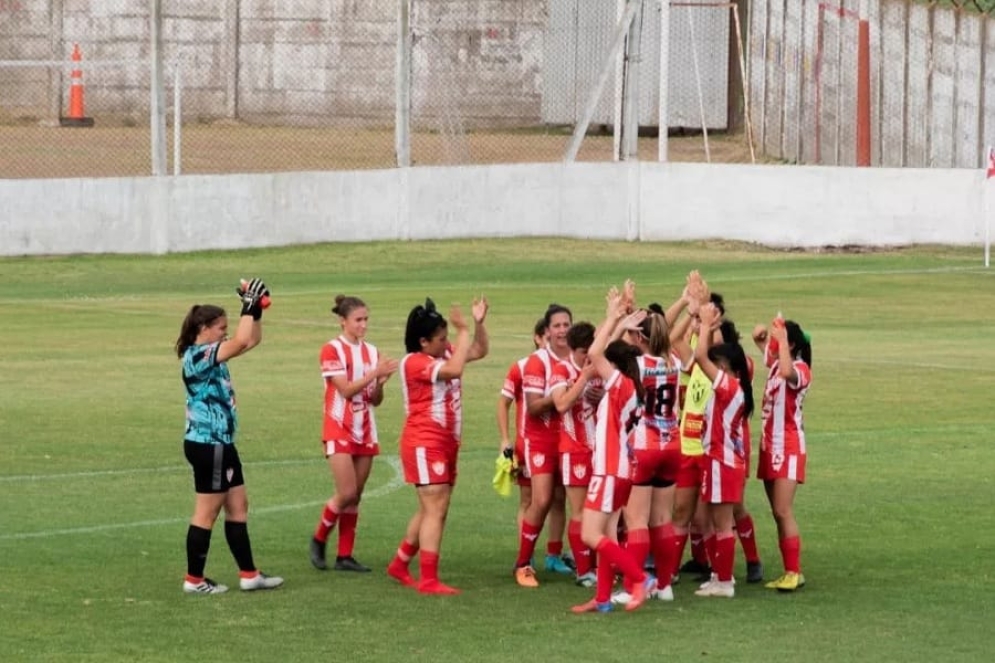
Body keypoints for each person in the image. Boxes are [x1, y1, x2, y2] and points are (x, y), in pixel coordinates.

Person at [175, 278, 283, 595]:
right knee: (206, 513)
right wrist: (248, 305)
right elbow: (239, 341)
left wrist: (256, 310)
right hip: (209, 445)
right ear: (204, 328)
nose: (225, 331)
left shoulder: (213, 351)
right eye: (221, 327)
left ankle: (249, 574)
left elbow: (249, 341)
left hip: (222, 443)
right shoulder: (198, 355)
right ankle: (194, 580)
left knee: (239, 505)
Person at [386, 296, 489, 595]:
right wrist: (463, 330)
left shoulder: (442, 354)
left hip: (444, 442)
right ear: (422, 341)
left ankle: (400, 563)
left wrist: (478, 323)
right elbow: (455, 370)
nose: (447, 344)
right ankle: (428, 580)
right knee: (435, 509)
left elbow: (479, 351)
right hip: (424, 441)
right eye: (441, 339)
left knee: (433, 508)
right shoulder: (415, 362)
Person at [571, 287, 653, 614]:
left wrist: (612, 316)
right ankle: (602, 599)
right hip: (620, 471)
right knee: (607, 535)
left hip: (608, 471)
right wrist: (619, 321)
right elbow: (603, 351)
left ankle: (638, 579)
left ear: (614, 366)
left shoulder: (619, 384)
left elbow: (594, 351)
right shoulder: (629, 387)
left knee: (591, 535)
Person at [310, 295, 398, 572]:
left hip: (366, 428)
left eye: (366, 319)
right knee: (346, 491)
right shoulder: (331, 350)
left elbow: (375, 400)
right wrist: (375, 373)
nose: (363, 325)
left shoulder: (372, 352)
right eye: (358, 320)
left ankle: (344, 556)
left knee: (356, 495)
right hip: (338, 426)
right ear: (343, 321)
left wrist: (381, 383)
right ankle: (319, 538)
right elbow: (345, 390)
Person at [690, 302, 754, 598]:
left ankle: (725, 581)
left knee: (721, 525)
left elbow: (701, 356)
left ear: (730, 369)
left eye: (721, 364)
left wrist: (704, 324)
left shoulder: (729, 386)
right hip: (721, 460)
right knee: (717, 524)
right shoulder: (735, 387)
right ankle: (719, 575)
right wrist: (712, 327)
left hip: (721, 460)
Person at [513, 304, 575, 587]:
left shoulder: (578, 358)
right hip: (541, 441)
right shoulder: (538, 362)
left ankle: (558, 555)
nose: (562, 330)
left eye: (566, 324)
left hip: (572, 440)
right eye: (557, 326)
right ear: (547, 331)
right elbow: (534, 407)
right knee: (541, 500)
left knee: (567, 499)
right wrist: (562, 393)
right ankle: (523, 563)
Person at [752, 315, 813, 592]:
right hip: (770, 445)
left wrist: (782, 341)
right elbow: (766, 350)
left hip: (788, 447)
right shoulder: (778, 362)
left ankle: (794, 571)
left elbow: (788, 372)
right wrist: (761, 337)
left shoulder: (799, 369)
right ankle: (789, 569)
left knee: (783, 509)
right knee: (777, 513)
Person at [549, 321, 599, 587]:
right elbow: (561, 403)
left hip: (601, 452)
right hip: (574, 452)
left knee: (602, 510)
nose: (588, 357)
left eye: (591, 352)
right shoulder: (561, 370)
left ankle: (599, 566)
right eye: (583, 352)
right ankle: (584, 570)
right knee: (579, 511)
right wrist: (584, 379)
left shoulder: (598, 367)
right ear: (572, 350)